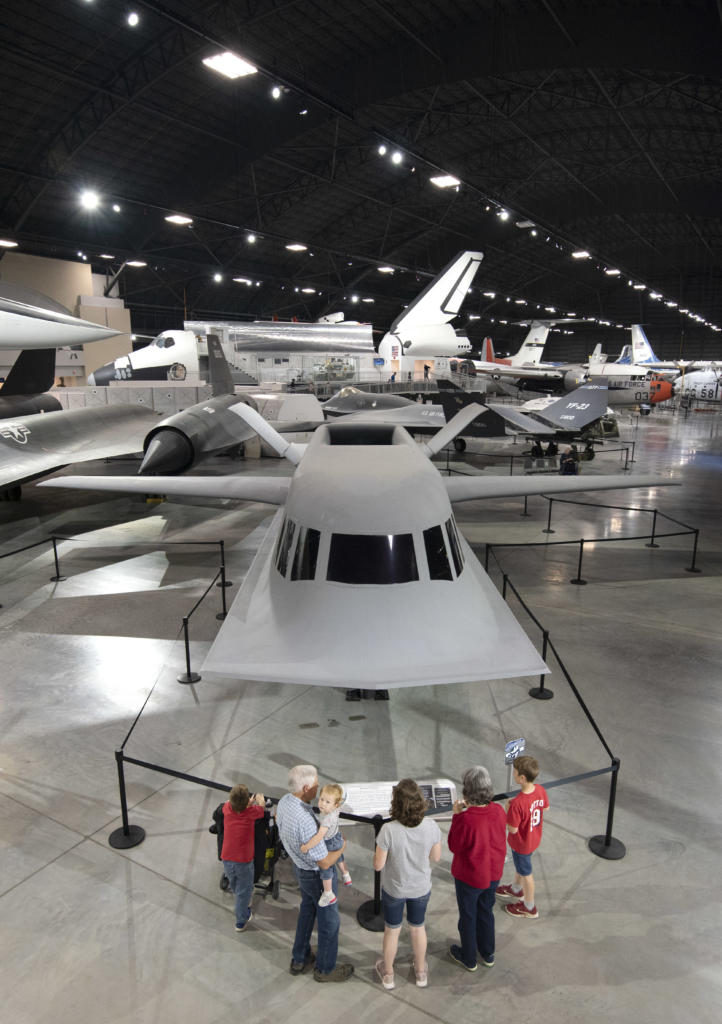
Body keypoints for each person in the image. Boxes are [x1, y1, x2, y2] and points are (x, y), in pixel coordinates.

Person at [276, 765, 354, 982]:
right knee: (330, 922)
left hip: (299, 869)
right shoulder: (307, 821)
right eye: (317, 783)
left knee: (307, 911)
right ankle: (325, 969)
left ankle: (299, 958)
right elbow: (325, 861)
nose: (319, 786)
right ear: (307, 787)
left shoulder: (284, 802)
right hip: (316, 876)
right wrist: (343, 845)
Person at [373, 779, 442, 991]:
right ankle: (421, 971)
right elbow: (436, 857)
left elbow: (378, 865)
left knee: (392, 931)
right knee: (417, 928)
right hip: (421, 888)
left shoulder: (388, 830)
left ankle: (388, 974)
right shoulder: (432, 826)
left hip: (395, 889)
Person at [447, 767, 507, 971]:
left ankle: (469, 957)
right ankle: (488, 953)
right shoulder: (499, 810)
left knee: (468, 917)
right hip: (493, 875)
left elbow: (454, 846)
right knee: (486, 912)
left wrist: (457, 816)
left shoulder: (466, 819)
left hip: (470, 878)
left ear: (467, 792)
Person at [496, 756, 549, 919]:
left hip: (521, 844)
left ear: (522, 777)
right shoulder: (540, 789)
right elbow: (545, 808)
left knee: (526, 873)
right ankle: (516, 889)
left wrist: (507, 810)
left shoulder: (518, 803)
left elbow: (512, 829)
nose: (513, 774)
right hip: (533, 839)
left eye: (515, 772)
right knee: (521, 868)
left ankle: (529, 907)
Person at [221, 784, 266, 932]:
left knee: (235, 885)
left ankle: (244, 900)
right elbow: (262, 809)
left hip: (227, 860)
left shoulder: (226, 809)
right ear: (247, 800)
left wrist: (245, 803)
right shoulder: (252, 813)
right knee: (243, 892)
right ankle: (241, 921)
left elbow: (229, 803)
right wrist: (259, 800)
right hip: (244, 862)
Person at [300, 783, 352, 905]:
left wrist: (306, 846)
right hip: (337, 837)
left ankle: (328, 894)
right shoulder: (335, 810)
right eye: (322, 799)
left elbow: (319, 837)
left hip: (329, 843)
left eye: (327, 802)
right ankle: (346, 875)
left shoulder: (326, 819)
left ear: (334, 805)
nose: (323, 803)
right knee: (339, 856)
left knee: (326, 867)